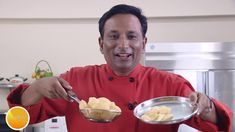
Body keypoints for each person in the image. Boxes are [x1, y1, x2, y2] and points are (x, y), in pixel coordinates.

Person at [7, 4, 232, 132]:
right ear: (101, 43)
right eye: (113, 36)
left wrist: (206, 105)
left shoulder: (170, 84)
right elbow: (19, 119)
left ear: (143, 43)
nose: (123, 45)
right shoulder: (75, 80)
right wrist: (36, 88)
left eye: (132, 36)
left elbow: (219, 124)